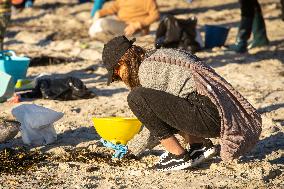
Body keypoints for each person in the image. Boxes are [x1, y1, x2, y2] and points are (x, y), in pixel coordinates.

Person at [102, 36, 262, 171]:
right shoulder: (159, 56)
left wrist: (130, 150)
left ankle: (177, 155)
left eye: (116, 74)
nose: (119, 79)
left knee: (136, 98)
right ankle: (199, 146)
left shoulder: (148, 70)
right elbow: (169, 106)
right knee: (167, 100)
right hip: (215, 113)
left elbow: (155, 124)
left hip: (208, 116)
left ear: (123, 61)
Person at [88, 0, 160, 38]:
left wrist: (137, 25)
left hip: (136, 29)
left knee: (102, 23)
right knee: (101, 20)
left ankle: (94, 34)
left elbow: (155, 15)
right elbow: (113, 8)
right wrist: (100, 13)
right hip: (121, 22)